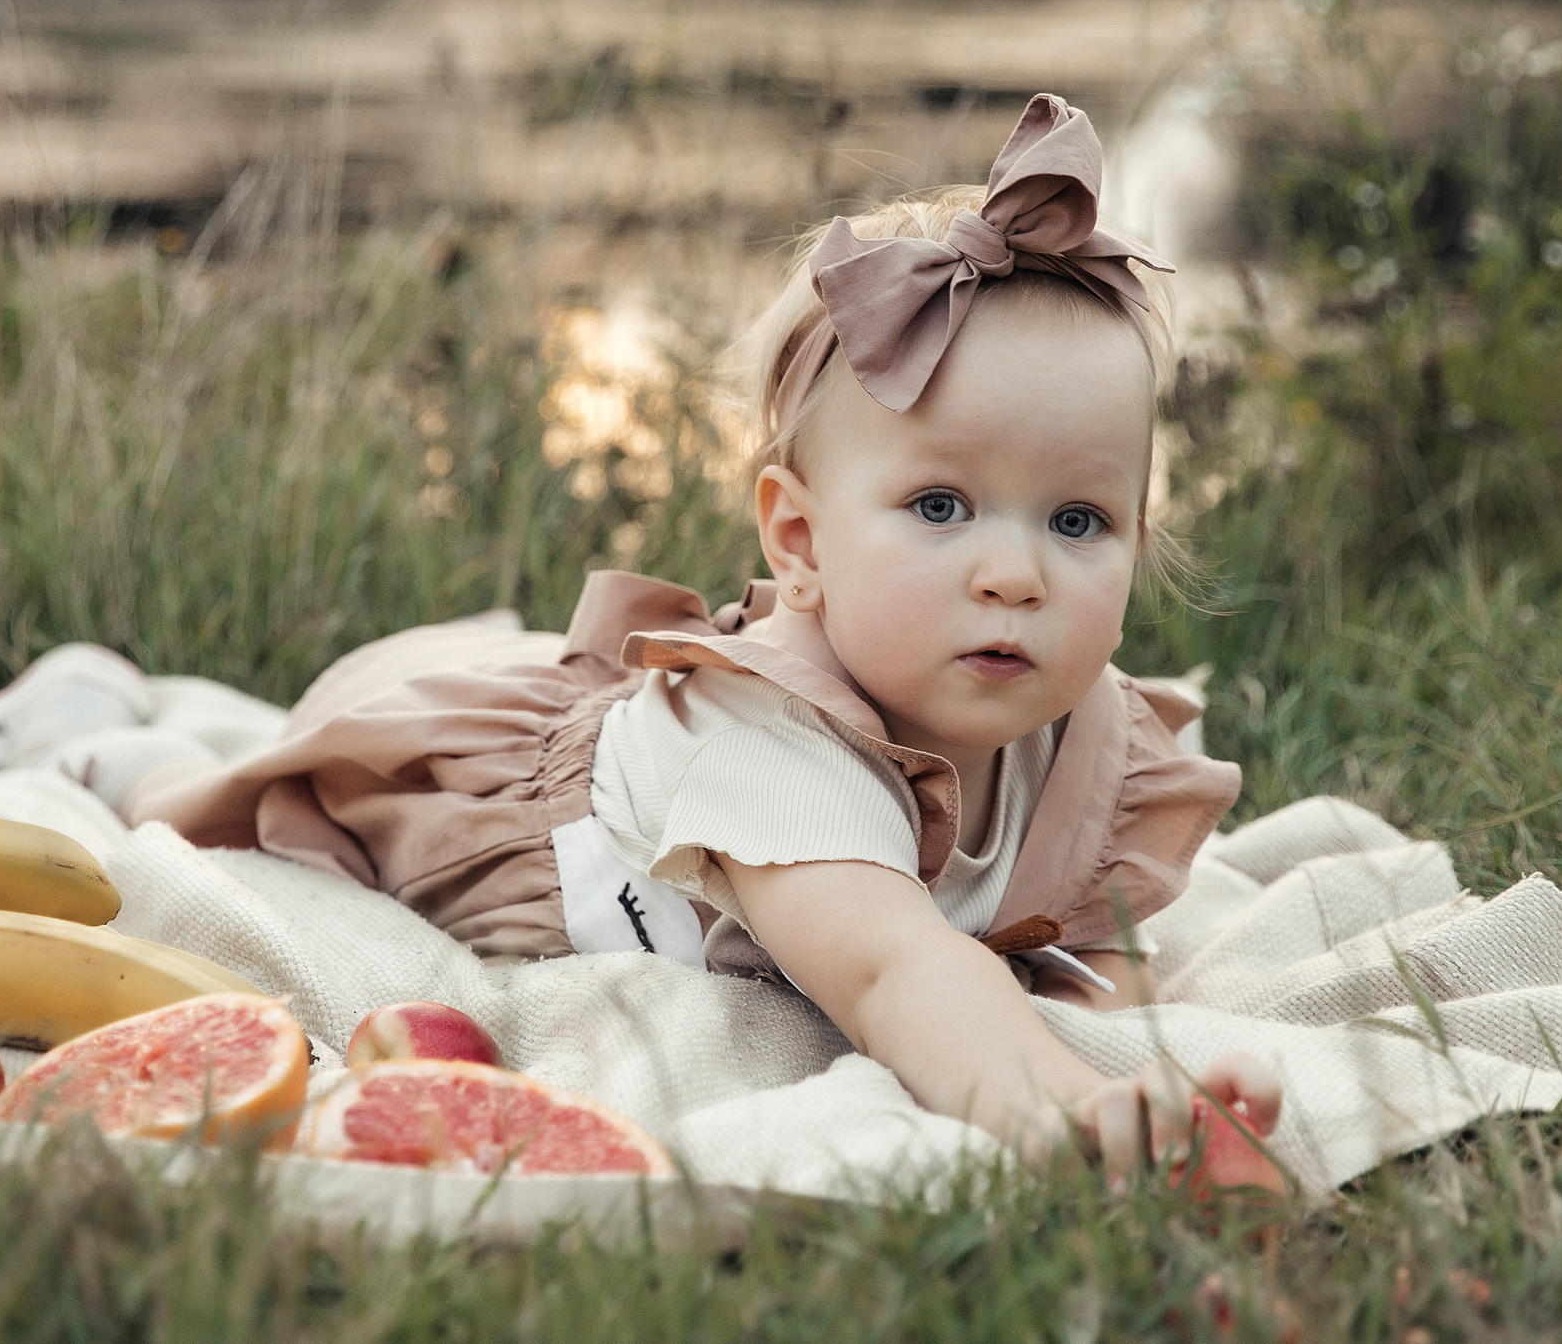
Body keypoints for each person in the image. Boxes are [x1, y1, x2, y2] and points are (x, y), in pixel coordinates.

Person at [98, 93, 1282, 1173]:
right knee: (239, 794)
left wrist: (1120, 1051)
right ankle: (105, 735)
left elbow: (1086, 939)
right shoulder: (773, 750)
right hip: (467, 792)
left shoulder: (1089, 739)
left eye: (1076, 521)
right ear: (799, 540)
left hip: (615, 715)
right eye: (939, 507)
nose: (1014, 576)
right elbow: (892, 969)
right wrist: (1065, 1112)